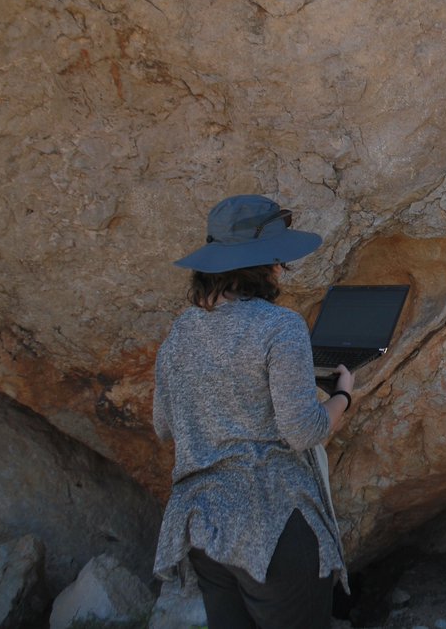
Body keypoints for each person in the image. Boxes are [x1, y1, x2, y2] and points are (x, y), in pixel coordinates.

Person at [152, 194, 355, 629]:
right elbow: (303, 431)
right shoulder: (279, 327)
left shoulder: (180, 332)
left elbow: (163, 425)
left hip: (204, 527)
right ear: (266, 263)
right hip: (273, 522)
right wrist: (342, 395)